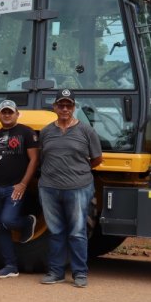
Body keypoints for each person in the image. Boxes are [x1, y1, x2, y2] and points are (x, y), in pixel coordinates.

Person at [38, 88, 103, 288]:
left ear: (74, 108)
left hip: (78, 188)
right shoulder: (47, 131)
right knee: (56, 231)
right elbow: (43, 157)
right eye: (61, 104)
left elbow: (97, 159)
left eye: (68, 105)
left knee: (77, 232)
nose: (64, 108)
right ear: (55, 107)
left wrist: (78, 173)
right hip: (49, 188)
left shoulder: (86, 131)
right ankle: (56, 272)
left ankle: (80, 273)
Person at [0, 100, 40, 278]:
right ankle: (10, 265)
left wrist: (23, 184)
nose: (7, 115)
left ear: (17, 114)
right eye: (3, 112)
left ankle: (27, 222)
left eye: (10, 112)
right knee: (0, 226)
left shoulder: (26, 132)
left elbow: (34, 160)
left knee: (7, 220)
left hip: (14, 188)